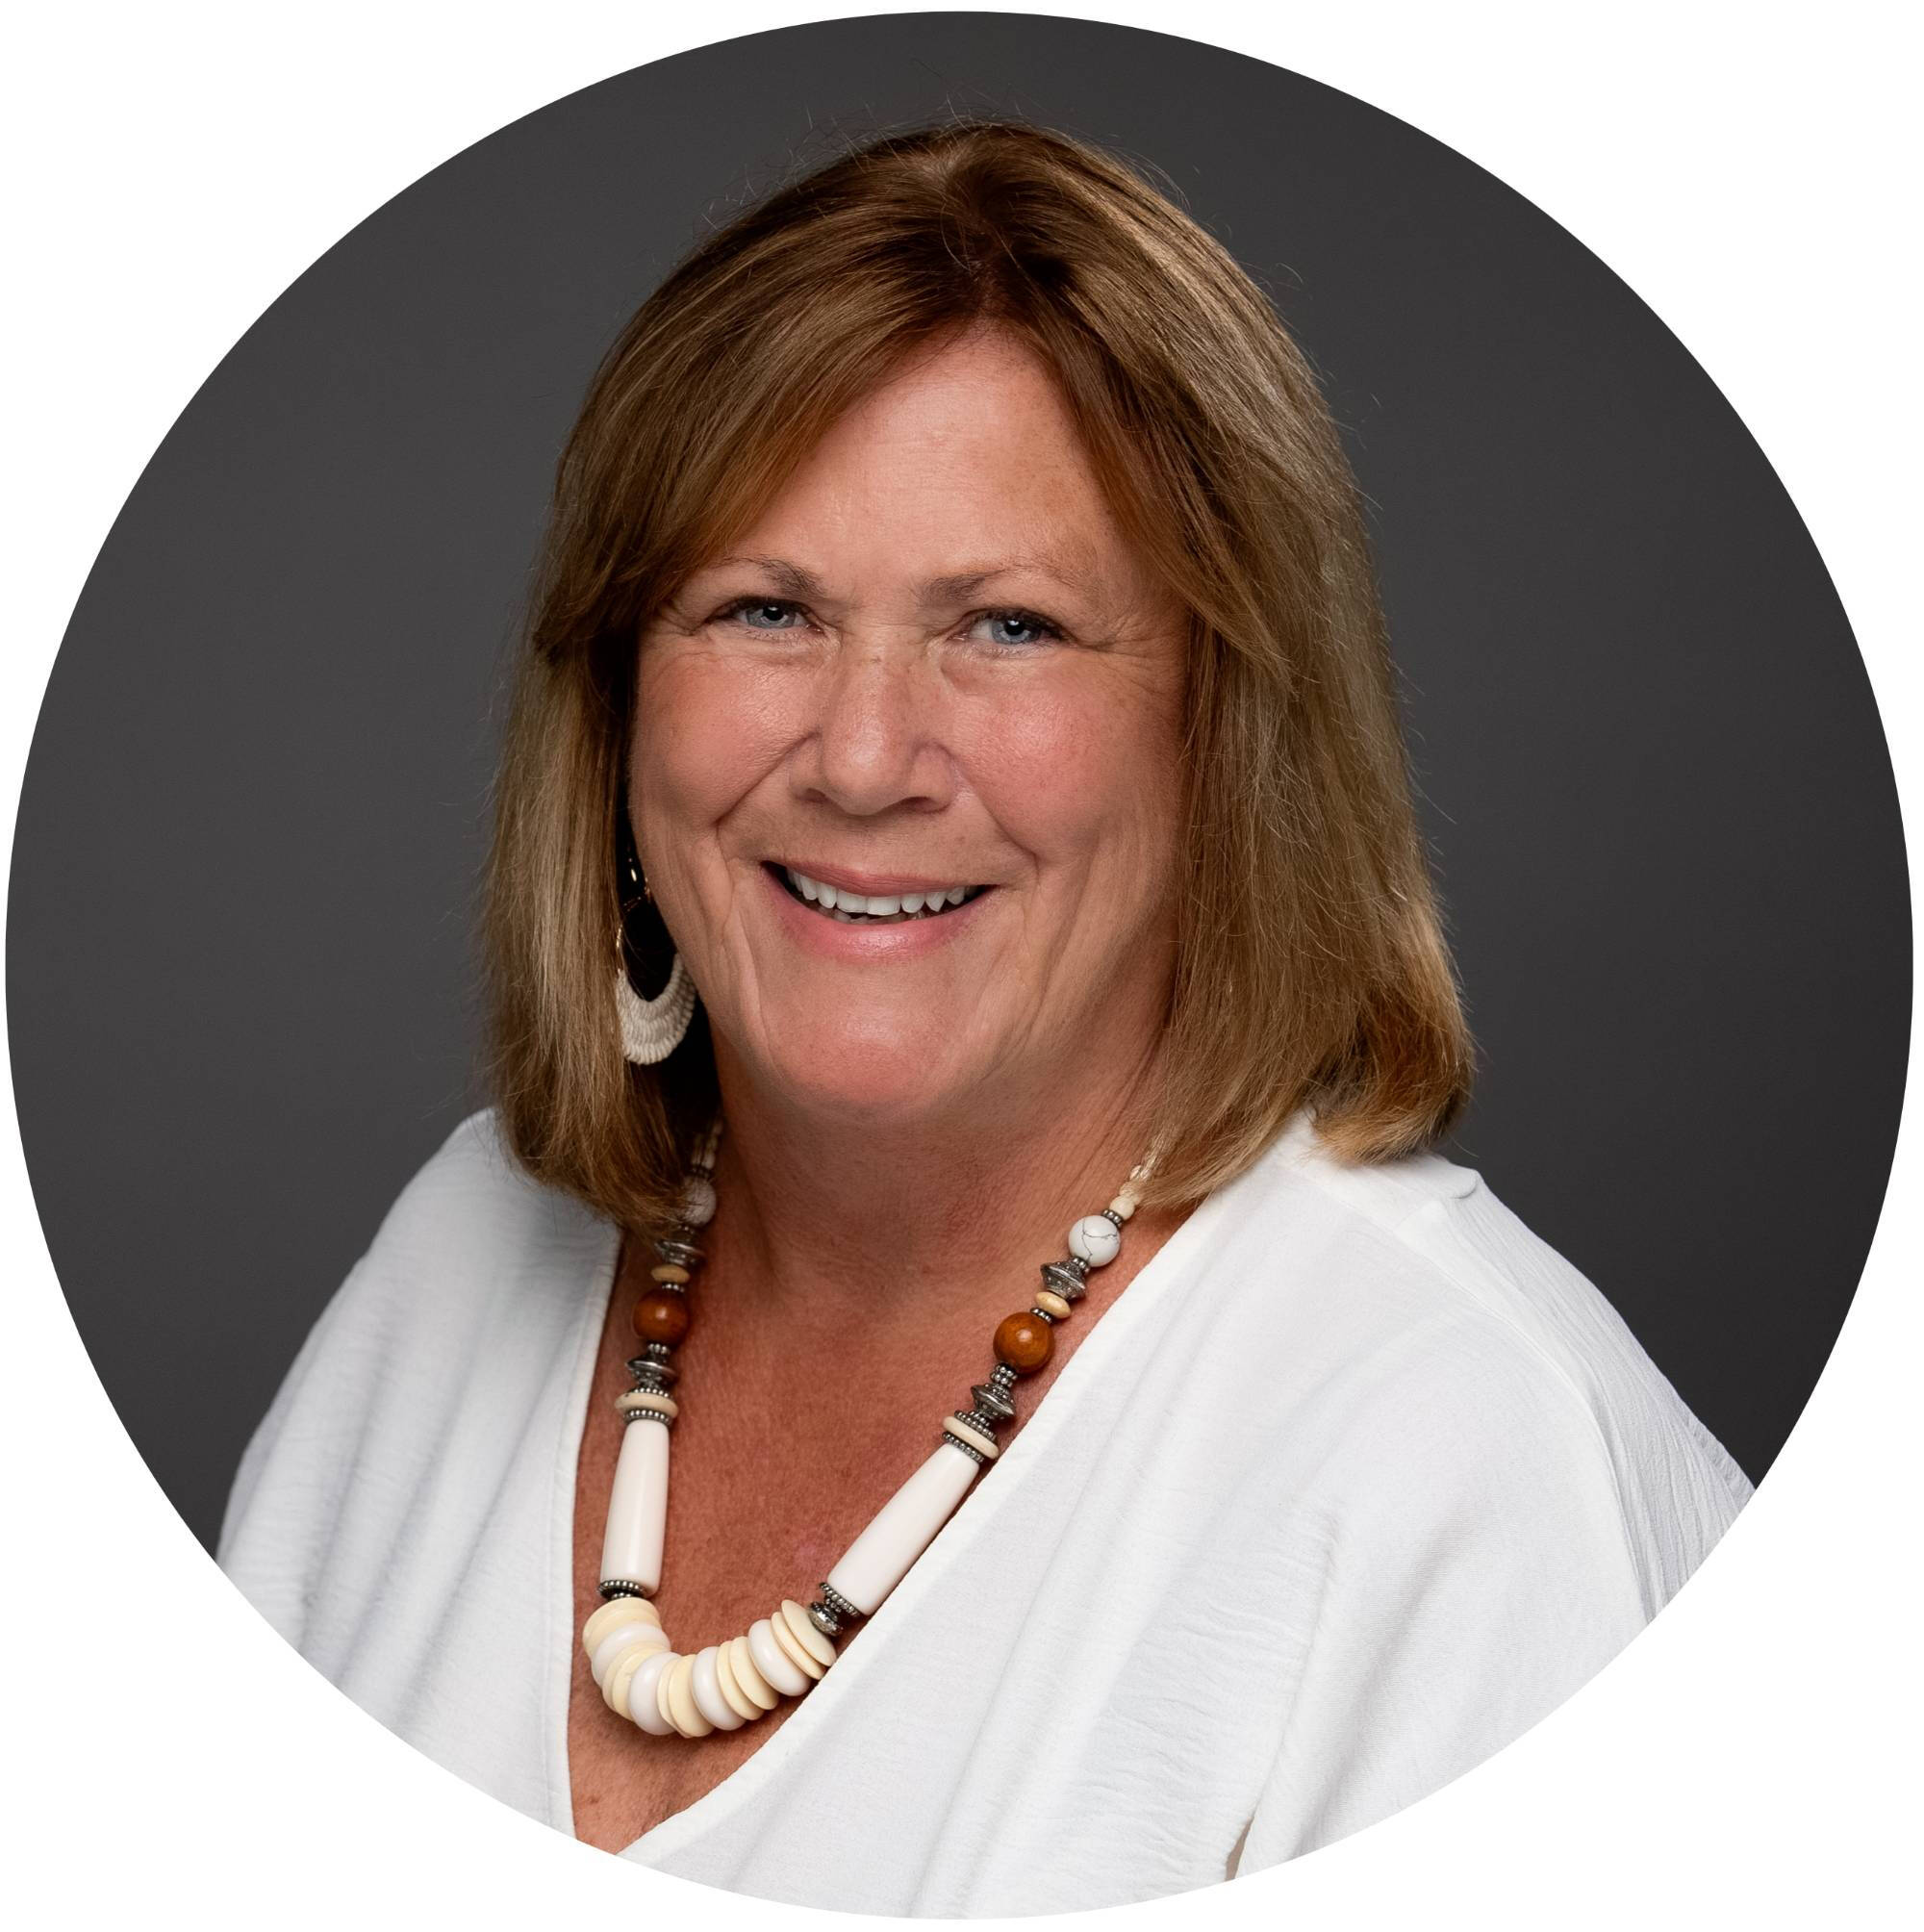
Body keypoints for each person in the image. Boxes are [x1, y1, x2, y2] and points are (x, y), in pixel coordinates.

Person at [216, 118, 1752, 1916]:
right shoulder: (458, 1260)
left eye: (1010, 628)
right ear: (620, 702)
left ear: (1226, 727)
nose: (865, 759)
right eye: (764, 610)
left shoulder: (1473, 1460)